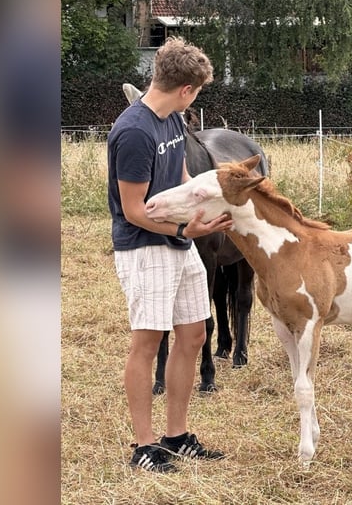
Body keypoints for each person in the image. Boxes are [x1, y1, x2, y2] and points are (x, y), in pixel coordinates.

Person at [107, 37, 233, 473]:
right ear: (186, 89)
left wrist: (205, 210)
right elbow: (134, 211)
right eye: (197, 92)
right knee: (147, 342)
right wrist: (186, 228)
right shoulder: (135, 132)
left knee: (194, 334)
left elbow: (180, 179)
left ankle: (176, 436)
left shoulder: (174, 121)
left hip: (180, 243)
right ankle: (144, 446)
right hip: (144, 247)